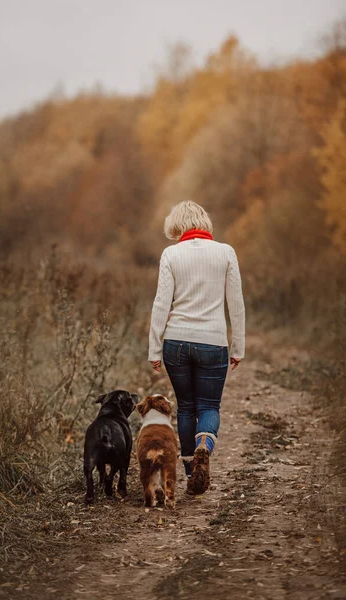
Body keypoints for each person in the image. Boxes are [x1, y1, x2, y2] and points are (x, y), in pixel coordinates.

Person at [148, 200, 245, 495]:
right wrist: (237, 346)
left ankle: (192, 471)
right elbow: (236, 304)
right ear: (204, 223)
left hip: (176, 342)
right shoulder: (226, 253)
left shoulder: (171, 254)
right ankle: (206, 444)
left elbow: (161, 304)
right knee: (209, 406)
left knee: (187, 407)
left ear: (178, 226)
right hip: (213, 342)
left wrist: (154, 348)